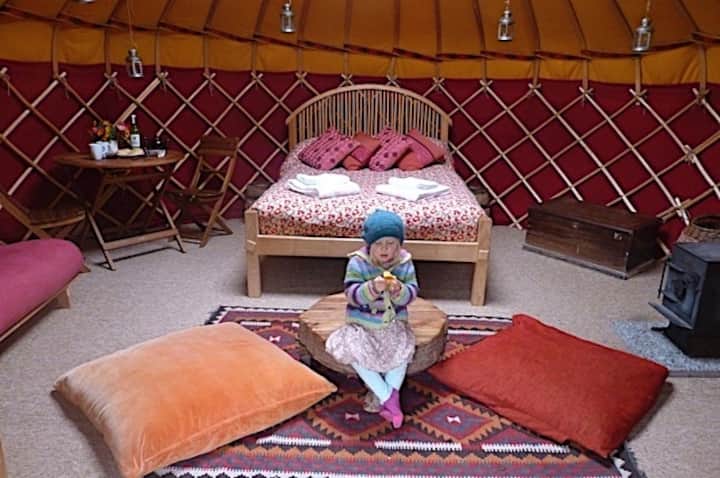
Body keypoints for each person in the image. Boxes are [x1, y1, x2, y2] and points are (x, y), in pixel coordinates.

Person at [325, 209, 418, 428]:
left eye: (391, 244)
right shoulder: (358, 263)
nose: (385, 249)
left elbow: (412, 294)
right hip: (362, 324)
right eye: (379, 244)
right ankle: (389, 398)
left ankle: (387, 396)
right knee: (353, 351)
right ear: (369, 245)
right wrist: (372, 288)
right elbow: (351, 295)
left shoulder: (405, 263)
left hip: (392, 324)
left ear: (399, 245)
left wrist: (399, 290)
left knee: (402, 353)